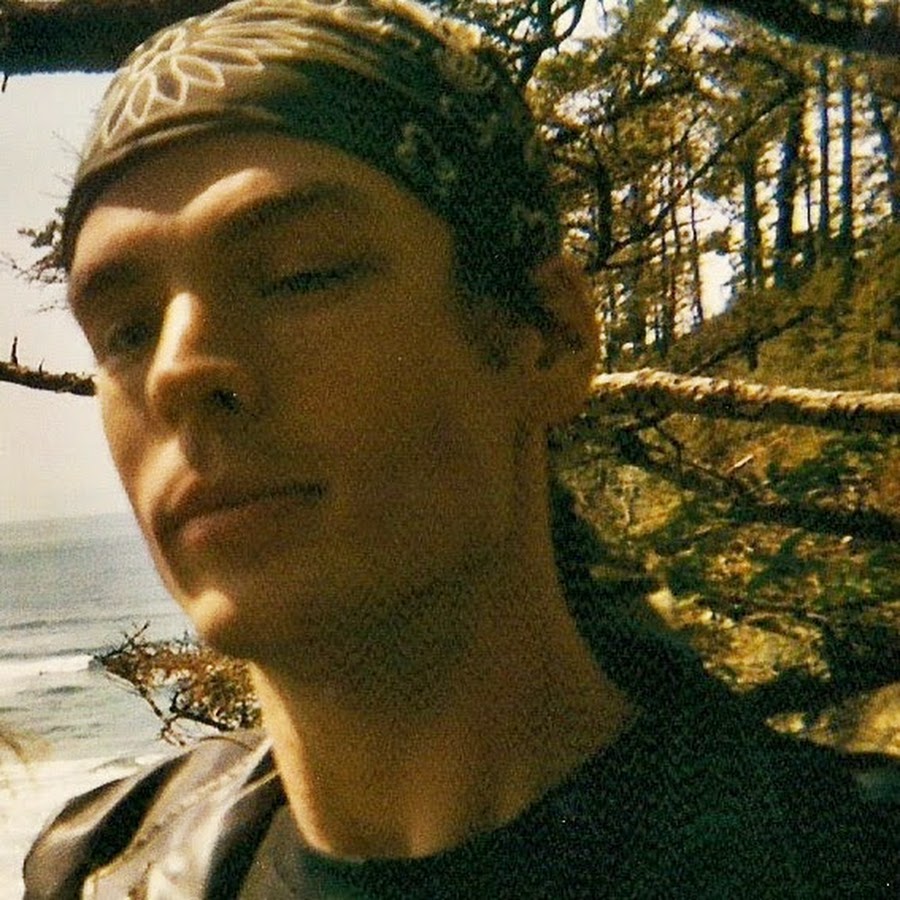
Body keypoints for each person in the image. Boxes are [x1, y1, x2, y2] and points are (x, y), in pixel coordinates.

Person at [24, 1, 898, 896]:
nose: (176, 371)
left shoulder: (849, 865)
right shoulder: (98, 874)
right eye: (125, 331)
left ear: (545, 336)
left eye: (301, 275)